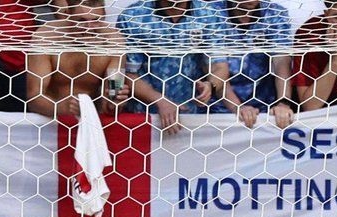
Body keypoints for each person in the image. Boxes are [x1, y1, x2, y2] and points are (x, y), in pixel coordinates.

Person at [117, 0, 234, 135]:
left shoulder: (209, 14)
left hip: (191, 119)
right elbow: (127, 73)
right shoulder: (134, 16)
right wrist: (160, 101)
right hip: (143, 119)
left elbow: (219, 66)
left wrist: (210, 87)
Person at [26, 0, 130, 119]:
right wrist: (61, 107)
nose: (89, 28)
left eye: (96, 20)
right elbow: (33, 98)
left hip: (91, 120)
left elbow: (112, 97)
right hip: (48, 120)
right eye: (82, 21)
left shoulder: (114, 41)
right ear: (67, 14)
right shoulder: (45, 38)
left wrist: (114, 102)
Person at [215, 0, 297, 129]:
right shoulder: (212, 13)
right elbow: (215, 66)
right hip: (217, 109)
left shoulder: (275, 14)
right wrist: (237, 107)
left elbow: (282, 62)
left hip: (264, 106)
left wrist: (283, 102)